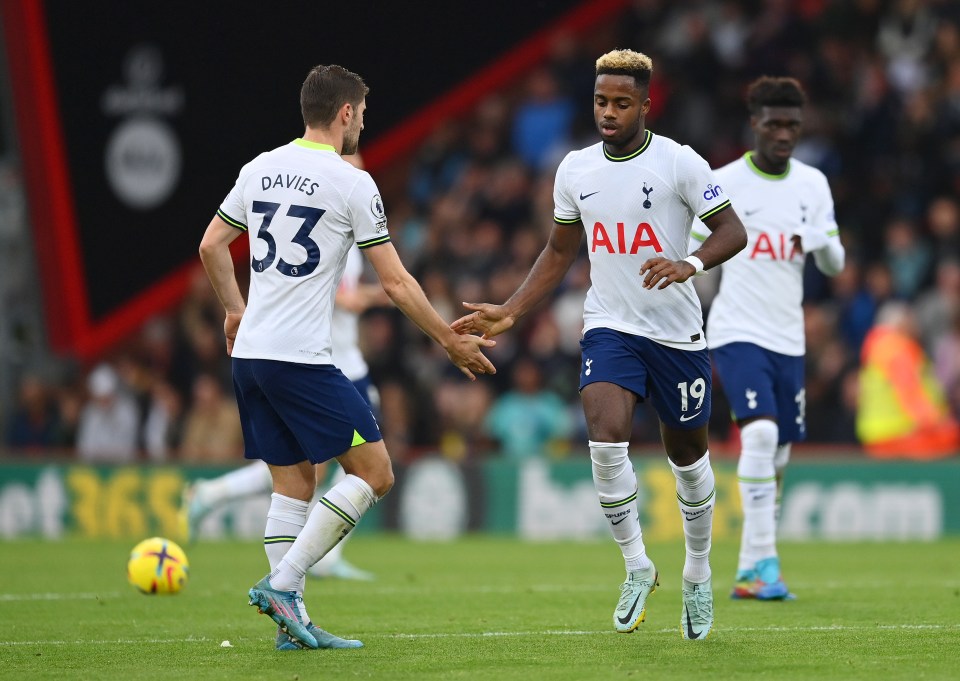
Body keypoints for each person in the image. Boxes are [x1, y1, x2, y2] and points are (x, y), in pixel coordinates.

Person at [198, 64, 495, 651]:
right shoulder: (352, 182)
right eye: (362, 111)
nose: (363, 121)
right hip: (301, 359)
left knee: (293, 486)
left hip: (252, 357)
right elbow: (397, 284)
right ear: (344, 114)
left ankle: (291, 624)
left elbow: (210, 245)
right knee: (376, 472)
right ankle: (284, 585)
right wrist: (448, 338)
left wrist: (234, 311)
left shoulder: (259, 167)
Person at [453, 49, 747, 640]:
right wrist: (511, 309)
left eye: (620, 103)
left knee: (689, 462)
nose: (607, 113)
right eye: (600, 102)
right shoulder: (575, 170)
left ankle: (696, 572)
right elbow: (560, 251)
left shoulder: (679, 163)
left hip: (677, 335)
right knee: (604, 438)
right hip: (610, 325)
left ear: (644, 104)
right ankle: (638, 566)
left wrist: (689, 263)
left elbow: (733, 232)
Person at [690, 76, 845, 601]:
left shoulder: (813, 184)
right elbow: (694, 251)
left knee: (777, 454)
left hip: (789, 338)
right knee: (757, 436)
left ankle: (754, 567)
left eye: (792, 125)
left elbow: (835, 261)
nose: (784, 133)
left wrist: (822, 241)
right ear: (753, 122)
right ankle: (761, 567)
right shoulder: (724, 180)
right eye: (774, 123)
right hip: (736, 330)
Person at [182, 242, 387, 581]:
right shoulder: (335, 236)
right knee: (342, 469)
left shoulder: (342, 240)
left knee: (317, 469)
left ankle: (214, 495)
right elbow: (343, 298)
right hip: (330, 368)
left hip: (342, 365)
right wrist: (389, 293)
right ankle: (311, 562)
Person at [856, 301, 960, 458]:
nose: (916, 326)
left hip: (877, 434)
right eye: (911, 320)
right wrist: (939, 422)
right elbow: (911, 394)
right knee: (952, 435)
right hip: (899, 435)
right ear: (902, 323)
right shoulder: (898, 349)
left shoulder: (878, 347)